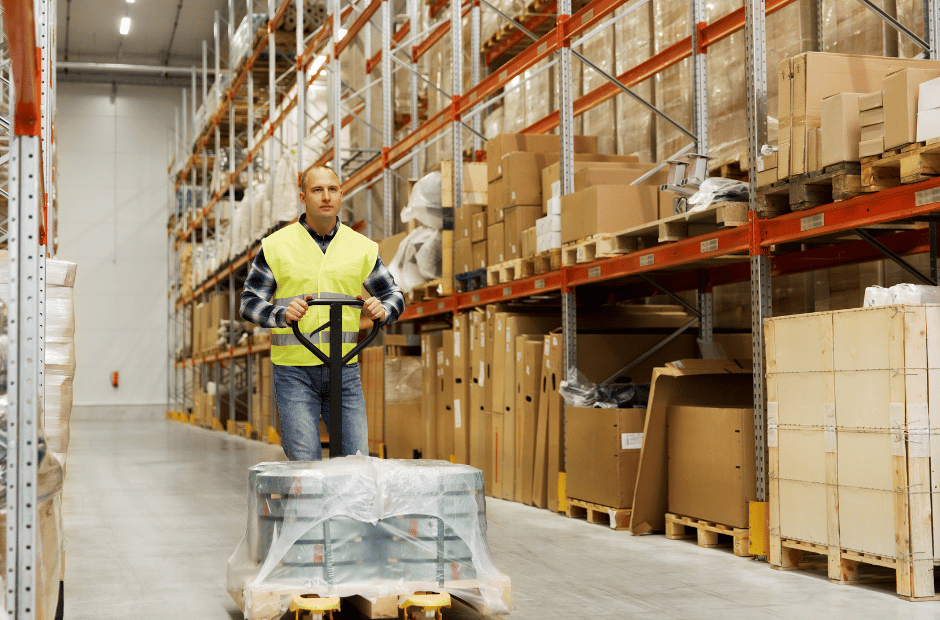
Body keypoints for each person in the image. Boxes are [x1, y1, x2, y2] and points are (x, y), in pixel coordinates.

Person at [240, 164, 404, 461]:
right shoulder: (276, 246)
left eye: (332, 189)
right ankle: (308, 508)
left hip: (345, 370)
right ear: (303, 198)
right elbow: (249, 302)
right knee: (305, 463)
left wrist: (384, 309)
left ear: (341, 194)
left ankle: (345, 510)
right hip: (294, 372)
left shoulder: (362, 247)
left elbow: (394, 294)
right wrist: (280, 314)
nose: (326, 197)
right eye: (317, 190)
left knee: (355, 461)